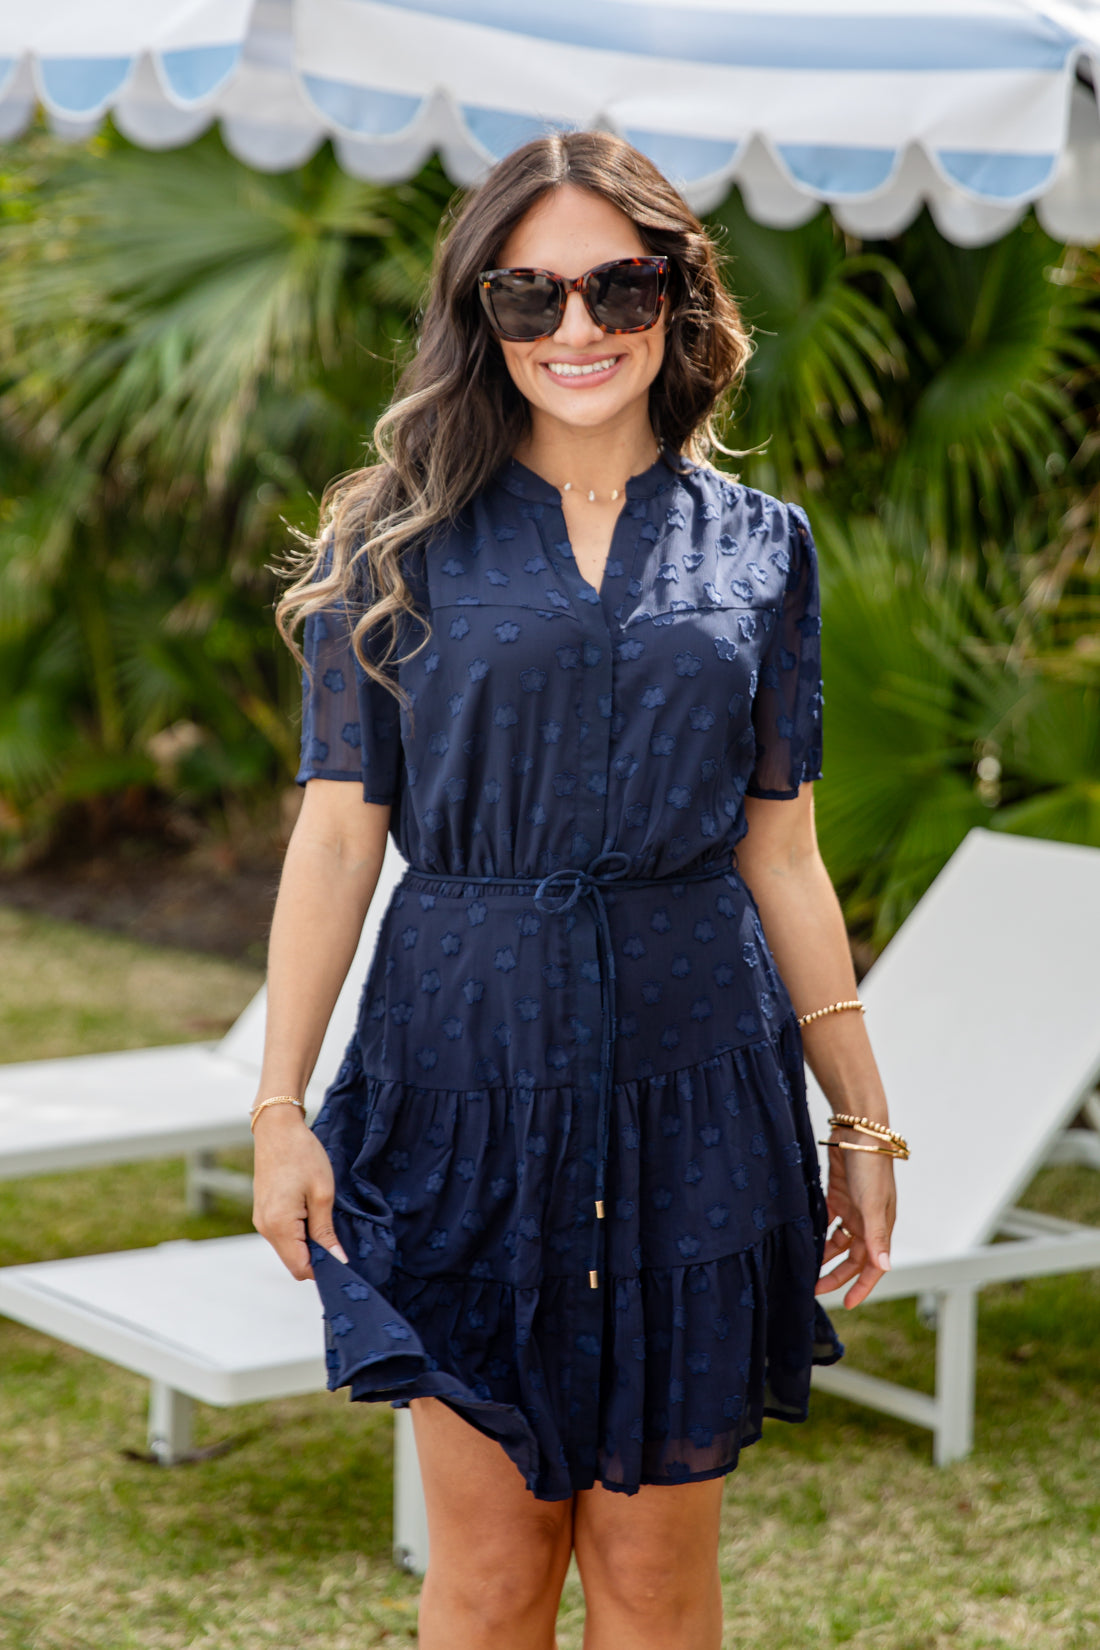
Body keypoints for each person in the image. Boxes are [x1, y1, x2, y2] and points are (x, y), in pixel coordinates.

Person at [251, 130, 902, 1650]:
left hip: (698, 1086)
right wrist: (282, 1108)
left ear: (678, 295)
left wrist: (862, 1115)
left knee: (657, 1579)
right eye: (527, 295)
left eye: (617, 285)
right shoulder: (392, 542)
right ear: (479, 314)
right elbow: (339, 835)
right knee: (489, 1575)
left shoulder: (764, 549)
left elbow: (783, 847)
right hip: (461, 1072)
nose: (578, 328)